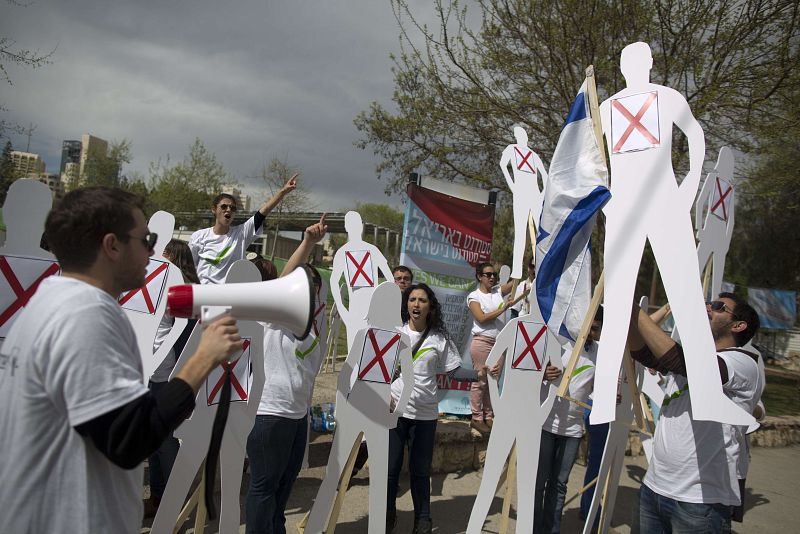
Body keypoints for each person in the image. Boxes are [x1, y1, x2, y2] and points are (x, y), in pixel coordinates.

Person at [0, 187, 242, 534]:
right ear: (112, 246)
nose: (152, 250)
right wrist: (203, 358)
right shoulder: (86, 314)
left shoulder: (52, 302)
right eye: (146, 239)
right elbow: (130, 439)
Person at [593, 41, 752, 427]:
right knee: (622, 303)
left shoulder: (663, 97)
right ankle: (600, 400)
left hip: (663, 200)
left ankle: (709, 396)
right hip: (627, 207)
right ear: (642, 63)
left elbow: (696, 138)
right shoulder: (607, 107)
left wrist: (688, 188)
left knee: (681, 295)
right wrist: (605, 201)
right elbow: (590, 159)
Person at [628, 292, 762, 532]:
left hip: (700, 502)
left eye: (719, 307)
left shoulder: (743, 362)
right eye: (709, 303)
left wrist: (634, 307)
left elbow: (685, 364)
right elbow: (643, 353)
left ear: (739, 325)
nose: (709, 308)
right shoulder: (693, 356)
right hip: (654, 487)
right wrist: (626, 314)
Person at [245, 215, 328, 534]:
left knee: (281, 492)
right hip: (269, 415)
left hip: (297, 419)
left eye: (313, 286)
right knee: (263, 490)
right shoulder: (274, 316)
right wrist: (308, 243)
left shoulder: (312, 330)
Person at [387, 283, 487, 534]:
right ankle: (386, 514)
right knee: (390, 470)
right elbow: (381, 370)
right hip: (396, 412)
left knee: (420, 472)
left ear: (430, 306)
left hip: (425, 415)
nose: (416, 304)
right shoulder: (394, 333)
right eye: (412, 300)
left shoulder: (439, 338)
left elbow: (455, 371)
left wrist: (479, 374)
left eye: (422, 300)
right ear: (406, 304)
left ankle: (423, 521)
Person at [145, 239, 201, 517]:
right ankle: (157, 496)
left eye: (165, 255)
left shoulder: (183, 292)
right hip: (152, 372)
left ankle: (173, 502)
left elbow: (184, 335)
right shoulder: (157, 285)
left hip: (168, 374)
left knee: (165, 440)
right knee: (153, 440)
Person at [535, 308, 602, 533]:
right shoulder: (559, 344)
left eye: (596, 328)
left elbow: (599, 387)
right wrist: (543, 374)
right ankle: (533, 528)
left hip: (573, 429)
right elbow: (531, 373)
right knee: (539, 482)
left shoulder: (599, 353)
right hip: (546, 423)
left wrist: (609, 395)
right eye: (588, 326)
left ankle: (552, 529)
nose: (591, 332)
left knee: (559, 484)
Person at [189, 175, 297, 285]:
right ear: (214, 209)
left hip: (228, 298)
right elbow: (188, 268)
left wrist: (283, 191)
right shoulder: (199, 236)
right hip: (202, 296)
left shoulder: (241, 234)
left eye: (232, 208)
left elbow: (264, 211)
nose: (228, 210)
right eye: (224, 206)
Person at [467, 262, 513, 433]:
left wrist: (526, 269)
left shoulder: (497, 292)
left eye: (494, 274)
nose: (492, 277)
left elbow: (515, 284)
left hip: (498, 343)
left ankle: (489, 416)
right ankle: (476, 417)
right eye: (488, 274)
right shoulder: (474, 296)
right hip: (482, 342)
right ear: (480, 276)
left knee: (493, 380)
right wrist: (504, 308)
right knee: (481, 380)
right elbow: (481, 318)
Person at [499, 125, 548, 279]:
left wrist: (541, 194)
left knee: (542, 231)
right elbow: (503, 165)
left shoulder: (533, 154)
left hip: (534, 194)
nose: (522, 138)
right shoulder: (511, 149)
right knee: (520, 232)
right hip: (520, 193)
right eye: (520, 135)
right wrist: (512, 185)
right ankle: (517, 271)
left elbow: (545, 175)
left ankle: (543, 265)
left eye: (524, 135)